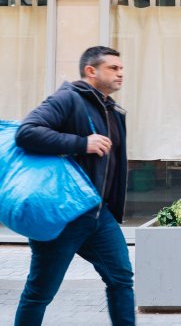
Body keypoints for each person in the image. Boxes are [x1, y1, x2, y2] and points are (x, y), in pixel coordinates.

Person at [14, 46, 134, 326]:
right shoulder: (68, 98)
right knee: (40, 292)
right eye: (113, 68)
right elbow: (27, 132)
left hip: (97, 214)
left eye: (121, 68)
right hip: (63, 212)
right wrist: (82, 143)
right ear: (91, 71)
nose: (121, 73)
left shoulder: (111, 109)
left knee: (121, 279)